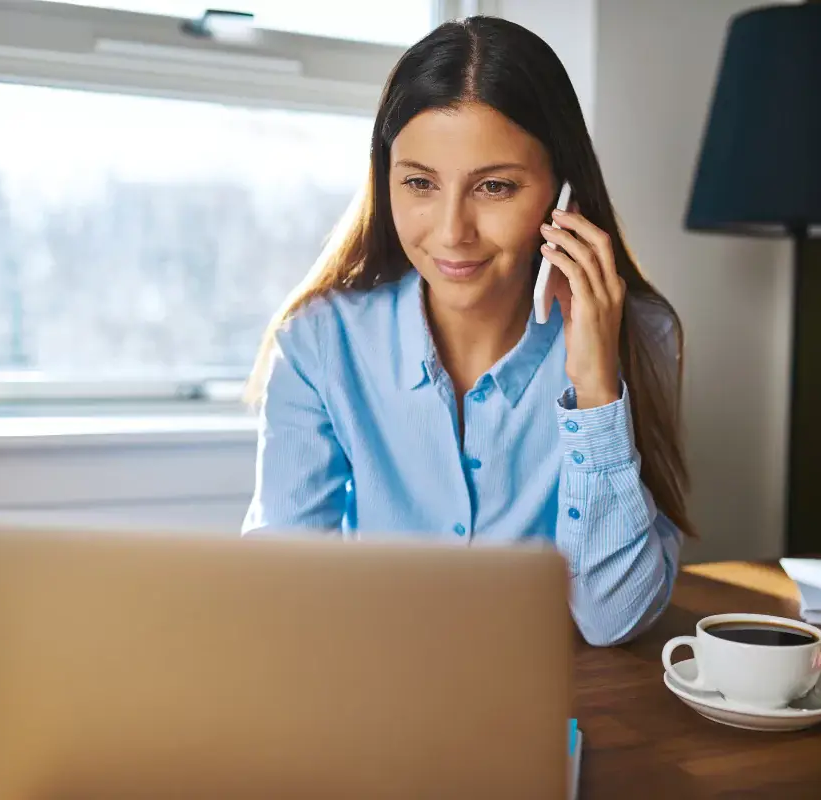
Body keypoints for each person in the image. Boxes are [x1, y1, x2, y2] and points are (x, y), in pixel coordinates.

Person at [242, 16, 693, 647]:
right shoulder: (321, 342)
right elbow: (279, 596)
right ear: (386, 180)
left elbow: (612, 618)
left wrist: (596, 388)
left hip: (562, 705)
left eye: (495, 187)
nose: (453, 231)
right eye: (420, 183)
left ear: (562, 196)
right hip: (376, 690)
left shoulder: (641, 334)